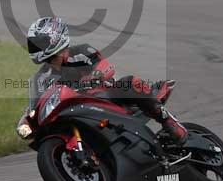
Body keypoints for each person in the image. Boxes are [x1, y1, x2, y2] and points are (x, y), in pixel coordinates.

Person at [25, 16, 188, 144]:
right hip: (76, 110)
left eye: (39, 43)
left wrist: (95, 76)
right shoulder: (42, 77)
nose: (36, 47)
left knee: (130, 82)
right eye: (35, 44)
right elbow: (39, 101)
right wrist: (29, 116)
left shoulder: (81, 51)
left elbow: (106, 67)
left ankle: (168, 121)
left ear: (54, 39)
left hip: (107, 96)